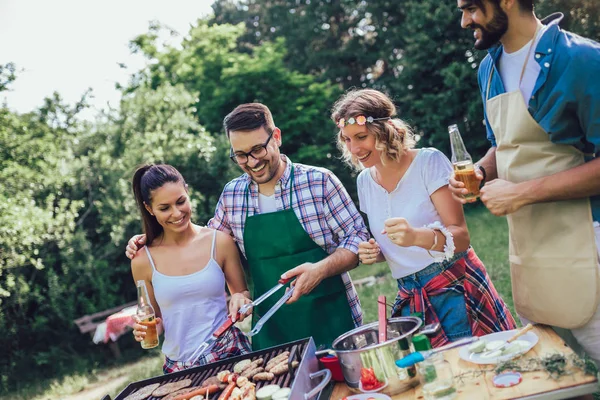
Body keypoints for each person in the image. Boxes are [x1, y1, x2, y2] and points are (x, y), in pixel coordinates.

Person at [126, 104, 369, 350]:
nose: (251, 162)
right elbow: (202, 244)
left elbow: (358, 238)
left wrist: (320, 270)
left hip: (335, 323)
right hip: (274, 335)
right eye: (241, 155)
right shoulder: (232, 196)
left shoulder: (320, 182)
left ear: (276, 137)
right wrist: (152, 239)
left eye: (257, 150)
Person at [451, 0, 600, 367]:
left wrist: (519, 193)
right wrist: (484, 172)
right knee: (553, 374)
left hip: (587, 243)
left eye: (471, 7)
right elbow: (503, 145)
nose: (464, 20)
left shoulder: (582, 60)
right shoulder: (487, 69)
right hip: (530, 250)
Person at [331, 89, 516, 347]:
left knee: (481, 368)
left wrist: (416, 236)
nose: (354, 149)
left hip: (454, 285)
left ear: (385, 132)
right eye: (347, 140)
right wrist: (376, 252)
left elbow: (461, 237)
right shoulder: (364, 181)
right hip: (411, 295)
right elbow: (397, 247)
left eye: (361, 137)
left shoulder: (428, 162)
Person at [130, 164, 251, 373]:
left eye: (181, 201)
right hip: (179, 367)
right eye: (164, 208)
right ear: (149, 209)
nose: (177, 213)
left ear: (187, 191)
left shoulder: (220, 242)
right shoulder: (141, 260)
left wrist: (241, 300)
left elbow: (242, 293)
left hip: (228, 352)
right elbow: (155, 322)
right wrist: (144, 329)